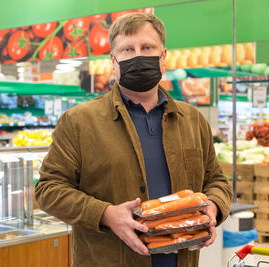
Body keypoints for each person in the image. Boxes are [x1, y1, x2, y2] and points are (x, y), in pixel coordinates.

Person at [35, 12, 232, 267]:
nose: (138, 56)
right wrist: (105, 214)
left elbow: (217, 180)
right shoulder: (79, 122)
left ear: (163, 57)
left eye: (147, 47)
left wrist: (214, 207)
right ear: (113, 61)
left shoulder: (192, 120)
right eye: (127, 50)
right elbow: (49, 189)